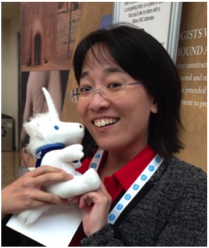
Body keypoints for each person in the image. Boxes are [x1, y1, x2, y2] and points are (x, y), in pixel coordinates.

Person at [1, 24, 207, 246]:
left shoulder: (189, 190)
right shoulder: (75, 165)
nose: (96, 103)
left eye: (114, 84)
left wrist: (100, 235)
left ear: (155, 98)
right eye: (86, 88)